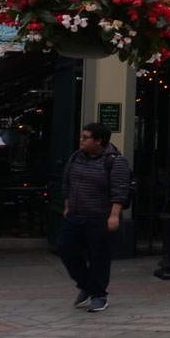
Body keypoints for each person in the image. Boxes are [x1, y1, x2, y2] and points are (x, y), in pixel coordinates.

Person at [58, 123, 130, 312]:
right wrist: (67, 207)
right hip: (75, 215)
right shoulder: (76, 157)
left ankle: (98, 295)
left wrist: (114, 215)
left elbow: (120, 190)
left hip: (99, 218)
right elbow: (67, 182)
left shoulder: (116, 161)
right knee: (65, 249)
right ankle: (87, 286)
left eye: (85, 137)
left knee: (99, 257)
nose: (81, 140)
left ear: (98, 141)